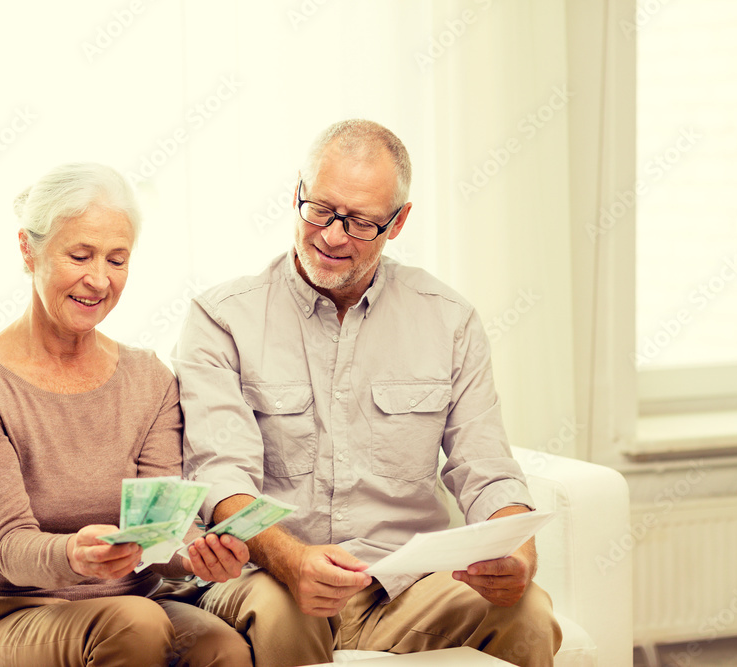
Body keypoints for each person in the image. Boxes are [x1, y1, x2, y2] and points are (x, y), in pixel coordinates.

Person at [171, 120, 563, 666]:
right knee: (285, 612)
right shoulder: (222, 317)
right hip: (269, 580)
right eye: (320, 210)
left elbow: (486, 467)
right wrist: (293, 560)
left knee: (529, 614)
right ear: (296, 193)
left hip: (399, 588)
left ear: (398, 222)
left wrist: (517, 552)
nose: (332, 236)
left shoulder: (448, 320)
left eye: (359, 222)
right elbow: (219, 474)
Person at [0, 162, 253, 667]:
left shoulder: (148, 378)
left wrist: (198, 552)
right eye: (79, 254)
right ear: (28, 249)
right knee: (138, 623)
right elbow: (10, 548)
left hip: (134, 604)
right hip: (11, 611)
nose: (99, 279)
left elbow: (158, 532)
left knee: (226, 649)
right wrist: (74, 555)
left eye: (117, 259)